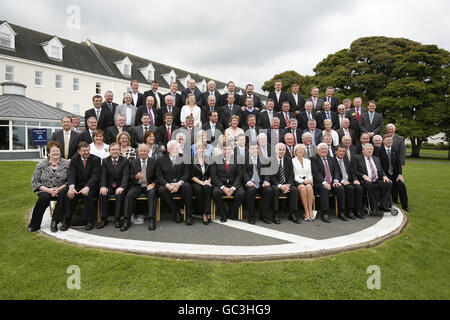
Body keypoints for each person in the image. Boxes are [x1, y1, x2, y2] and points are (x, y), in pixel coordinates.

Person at [29, 141, 69, 233]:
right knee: (43, 198)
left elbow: (69, 180)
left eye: (58, 151)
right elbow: (35, 181)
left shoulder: (66, 165)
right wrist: (49, 190)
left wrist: (59, 189)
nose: (56, 153)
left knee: (63, 196)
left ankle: (54, 222)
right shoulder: (41, 165)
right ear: (48, 153)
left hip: (61, 189)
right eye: (53, 151)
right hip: (45, 190)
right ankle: (34, 225)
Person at [64, 141, 101, 231]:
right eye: (84, 151)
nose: (86, 152)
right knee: (70, 195)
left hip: (91, 185)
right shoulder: (74, 160)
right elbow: (71, 174)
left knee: (88, 195)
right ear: (79, 151)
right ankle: (67, 221)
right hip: (78, 185)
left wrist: (87, 187)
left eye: (88, 150)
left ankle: (89, 221)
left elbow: (95, 175)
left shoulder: (96, 159)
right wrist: (71, 187)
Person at [156, 140, 193, 225]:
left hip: (181, 184)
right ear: (168, 150)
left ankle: (188, 216)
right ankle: (176, 212)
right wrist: (168, 185)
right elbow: (159, 176)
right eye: (173, 148)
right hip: (168, 185)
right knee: (161, 189)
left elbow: (187, 174)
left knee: (187, 186)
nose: (175, 150)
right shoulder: (160, 160)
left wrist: (179, 183)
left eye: (177, 148)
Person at [123, 144, 158, 231]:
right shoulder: (133, 162)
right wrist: (135, 176)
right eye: (141, 151)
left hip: (149, 185)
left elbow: (158, 176)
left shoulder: (154, 162)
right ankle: (127, 220)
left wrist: (153, 184)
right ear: (138, 152)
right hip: (137, 185)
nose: (143, 153)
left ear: (148, 151)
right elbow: (129, 177)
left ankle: (151, 220)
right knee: (129, 194)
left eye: (144, 151)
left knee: (152, 193)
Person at [352, 143, 393, 214]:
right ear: (363, 151)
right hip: (365, 181)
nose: (369, 151)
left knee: (388, 183)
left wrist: (384, 176)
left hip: (377, 180)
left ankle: (383, 205)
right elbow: (353, 171)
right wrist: (363, 176)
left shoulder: (376, 159)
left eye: (371, 149)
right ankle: (374, 207)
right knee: (369, 185)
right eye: (367, 149)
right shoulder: (357, 158)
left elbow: (381, 170)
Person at [311, 143, 345, 223]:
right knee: (324, 189)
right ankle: (325, 213)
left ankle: (341, 212)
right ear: (318, 151)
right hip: (320, 183)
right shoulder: (314, 159)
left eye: (325, 149)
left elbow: (336, 171)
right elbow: (315, 173)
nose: (324, 150)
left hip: (332, 182)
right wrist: (324, 182)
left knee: (340, 188)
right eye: (322, 149)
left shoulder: (332, 159)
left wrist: (336, 180)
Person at [98, 143, 129, 229]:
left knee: (120, 194)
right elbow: (103, 175)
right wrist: (103, 186)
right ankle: (104, 219)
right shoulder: (105, 161)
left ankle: (117, 219)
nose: (115, 151)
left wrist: (122, 186)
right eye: (113, 150)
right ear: (109, 151)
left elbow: (125, 175)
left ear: (119, 151)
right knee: (102, 194)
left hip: (120, 185)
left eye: (116, 150)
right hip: (108, 185)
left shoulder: (125, 161)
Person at [211, 144, 245, 222]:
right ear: (222, 150)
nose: (227, 151)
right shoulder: (215, 159)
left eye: (229, 149)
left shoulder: (237, 160)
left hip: (233, 184)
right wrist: (223, 187)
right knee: (216, 193)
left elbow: (239, 175)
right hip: (220, 184)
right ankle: (223, 215)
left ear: (232, 150)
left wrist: (233, 188)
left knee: (241, 193)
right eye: (225, 149)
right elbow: (214, 176)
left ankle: (231, 213)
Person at [243, 142, 273, 224]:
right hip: (250, 182)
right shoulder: (244, 159)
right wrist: (248, 181)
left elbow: (267, 172)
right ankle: (251, 216)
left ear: (259, 149)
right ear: (249, 150)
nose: (255, 150)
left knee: (268, 190)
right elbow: (243, 172)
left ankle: (263, 215)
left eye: (256, 148)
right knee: (250, 191)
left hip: (260, 183)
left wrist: (266, 181)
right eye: (253, 148)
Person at [270, 143, 300, 224]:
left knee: (294, 190)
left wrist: (288, 185)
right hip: (276, 184)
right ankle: (275, 214)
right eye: (279, 150)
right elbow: (271, 176)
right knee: (275, 190)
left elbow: (291, 174)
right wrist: (280, 186)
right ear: (275, 150)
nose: (281, 151)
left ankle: (292, 214)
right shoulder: (271, 160)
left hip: (286, 184)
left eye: (283, 150)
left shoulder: (288, 160)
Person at [379, 135, 410, 212]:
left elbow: (398, 164)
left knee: (402, 185)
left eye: (390, 140)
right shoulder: (379, 151)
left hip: (395, 175)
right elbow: (378, 165)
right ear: (383, 141)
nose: (389, 141)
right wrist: (384, 176)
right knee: (387, 186)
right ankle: (386, 205)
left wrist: (400, 174)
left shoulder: (395, 150)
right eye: (387, 140)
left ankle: (405, 206)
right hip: (385, 175)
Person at [334, 144, 364, 220]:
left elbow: (352, 171)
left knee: (359, 188)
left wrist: (355, 179)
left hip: (349, 181)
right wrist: (342, 180)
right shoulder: (332, 161)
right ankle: (347, 212)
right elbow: (333, 173)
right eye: (340, 151)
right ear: (336, 152)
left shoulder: (346, 160)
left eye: (343, 151)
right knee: (349, 188)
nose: (342, 153)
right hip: (339, 181)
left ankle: (357, 211)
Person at [191, 142, 213, 225]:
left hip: (207, 181)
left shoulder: (209, 159)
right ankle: (203, 213)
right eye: (200, 148)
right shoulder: (192, 160)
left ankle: (207, 212)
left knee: (207, 188)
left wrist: (208, 181)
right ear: (196, 150)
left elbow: (212, 173)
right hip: (196, 182)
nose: (202, 150)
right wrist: (202, 183)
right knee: (198, 190)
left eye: (204, 148)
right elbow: (192, 176)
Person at [292, 144, 314, 221]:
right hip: (297, 181)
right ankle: (306, 211)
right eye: (299, 149)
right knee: (302, 188)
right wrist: (303, 181)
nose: (301, 151)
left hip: (307, 180)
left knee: (309, 187)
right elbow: (293, 175)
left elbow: (310, 174)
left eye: (302, 149)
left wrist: (310, 180)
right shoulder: (292, 161)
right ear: (295, 151)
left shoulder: (308, 161)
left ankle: (310, 210)